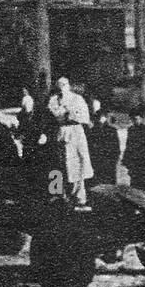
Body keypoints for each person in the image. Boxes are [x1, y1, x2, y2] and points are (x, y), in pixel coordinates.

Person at [47, 76, 95, 208]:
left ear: (69, 85)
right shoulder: (53, 100)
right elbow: (56, 115)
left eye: (64, 84)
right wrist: (67, 113)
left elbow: (84, 117)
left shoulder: (77, 99)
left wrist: (70, 113)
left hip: (76, 133)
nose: (62, 87)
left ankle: (79, 196)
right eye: (59, 85)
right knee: (59, 163)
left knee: (78, 163)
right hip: (62, 132)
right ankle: (58, 194)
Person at [121, 111, 145, 195]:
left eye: (136, 119)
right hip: (135, 161)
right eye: (132, 119)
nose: (135, 121)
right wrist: (126, 160)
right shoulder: (131, 129)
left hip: (144, 161)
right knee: (134, 182)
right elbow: (128, 145)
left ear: (141, 118)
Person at [86, 109, 121, 186]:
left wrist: (113, 160)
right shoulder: (92, 131)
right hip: (98, 163)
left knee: (108, 185)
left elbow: (116, 149)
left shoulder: (111, 130)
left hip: (108, 163)